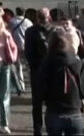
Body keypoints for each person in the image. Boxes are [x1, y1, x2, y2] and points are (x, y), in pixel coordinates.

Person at [37, 29, 84, 136]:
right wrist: (80, 98)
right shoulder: (77, 62)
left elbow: (40, 86)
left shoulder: (46, 63)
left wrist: (44, 98)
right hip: (74, 111)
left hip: (54, 111)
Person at [24, 8, 52, 136]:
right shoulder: (54, 30)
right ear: (48, 17)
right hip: (51, 70)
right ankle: (52, 127)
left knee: (37, 102)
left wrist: (32, 65)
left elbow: (28, 52)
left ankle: (37, 129)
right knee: (52, 101)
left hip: (36, 70)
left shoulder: (30, 31)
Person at [9, 7, 32, 93]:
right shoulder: (28, 22)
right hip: (26, 46)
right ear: (24, 13)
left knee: (18, 67)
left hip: (15, 46)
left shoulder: (11, 21)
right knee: (28, 66)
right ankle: (31, 82)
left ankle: (21, 86)